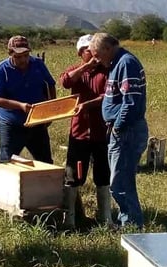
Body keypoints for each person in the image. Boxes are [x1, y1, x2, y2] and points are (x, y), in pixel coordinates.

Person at [89, 33, 149, 229]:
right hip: (122, 130)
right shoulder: (117, 63)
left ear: (107, 49)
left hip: (126, 131)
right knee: (121, 180)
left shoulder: (126, 63)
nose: (96, 60)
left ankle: (131, 226)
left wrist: (118, 126)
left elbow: (130, 102)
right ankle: (129, 222)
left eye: (97, 55)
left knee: (121, 183)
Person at [59, 34, 113, 228]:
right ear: (80, 53)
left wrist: (88, 104)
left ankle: (105, 218)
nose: (92, 54)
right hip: (79, 132)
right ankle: (70, 220)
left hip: (101, 131)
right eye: (87, 50)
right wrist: (84, 68)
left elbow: (107, 96)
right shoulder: (76, 70)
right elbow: (65, 82)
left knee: (103, 174)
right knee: (73, 175)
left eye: (93, 50)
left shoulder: (107, 71)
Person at [0, 35, 56, 163]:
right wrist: (20, 105)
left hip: (37, 122)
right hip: (11, 124)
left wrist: (50, 111)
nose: (23, 60)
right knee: (6, 162)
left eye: (26, 55)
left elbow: (50, 84)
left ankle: (49, 183)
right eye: (18, 56)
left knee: (45, 162)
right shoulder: (1, 70)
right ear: (10, 53)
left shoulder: (38, 64)